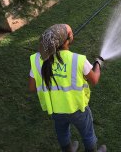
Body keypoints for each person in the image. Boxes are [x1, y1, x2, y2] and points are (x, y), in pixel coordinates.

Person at [28, 24, 106, 152]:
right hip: (78, 109)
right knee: (87, 134)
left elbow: (31, 87)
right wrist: (98, 63)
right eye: (70, 33)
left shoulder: (37, 59)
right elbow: (94, 80)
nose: (72, 34)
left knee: (62, 133)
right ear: (66, 42)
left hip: (56, 109)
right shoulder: (78, 60)